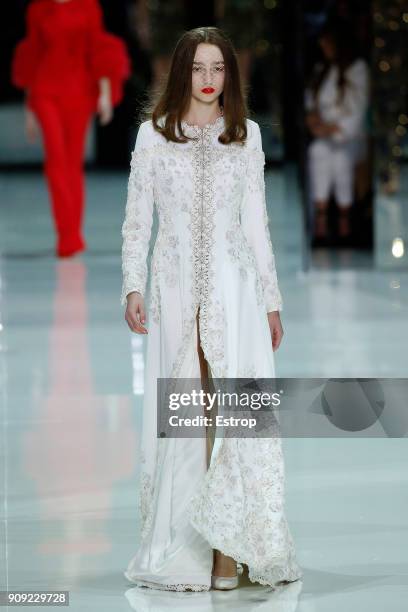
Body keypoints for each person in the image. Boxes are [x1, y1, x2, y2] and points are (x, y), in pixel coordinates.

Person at [121, 26, 303, 591]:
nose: (207, 80)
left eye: (217, 68)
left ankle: (231, 549)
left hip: (235, 290)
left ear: (230, 73)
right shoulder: (154, 137)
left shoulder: (245, 136)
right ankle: (191, 545)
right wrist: (132, 285)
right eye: (198, 69)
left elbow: (257, 223)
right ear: (182, 72)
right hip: (174, 290)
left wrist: (271, 300)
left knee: (236, 413)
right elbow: (137, 219)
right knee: (188, 414)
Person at [11, 0, 130, 257]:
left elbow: (98, 48)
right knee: (55, 161)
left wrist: (105, 94)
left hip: (80, 92)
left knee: (72, 164)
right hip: (45, 90)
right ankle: (66, 235)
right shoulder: (38, 8)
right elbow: (32, 54)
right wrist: (30, 109)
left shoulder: (89, 7)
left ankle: (72, 234)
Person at [305, 20, 369, 241]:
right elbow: (311, 104)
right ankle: (321, 215)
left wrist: (334, 129)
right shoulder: (322, 70)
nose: (324, 47)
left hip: (349, 135)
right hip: (325, 134)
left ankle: (345, 215)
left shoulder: (358, 70)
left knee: (341, 158)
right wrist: (315, 124)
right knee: (318, 152)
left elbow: (358, 111)